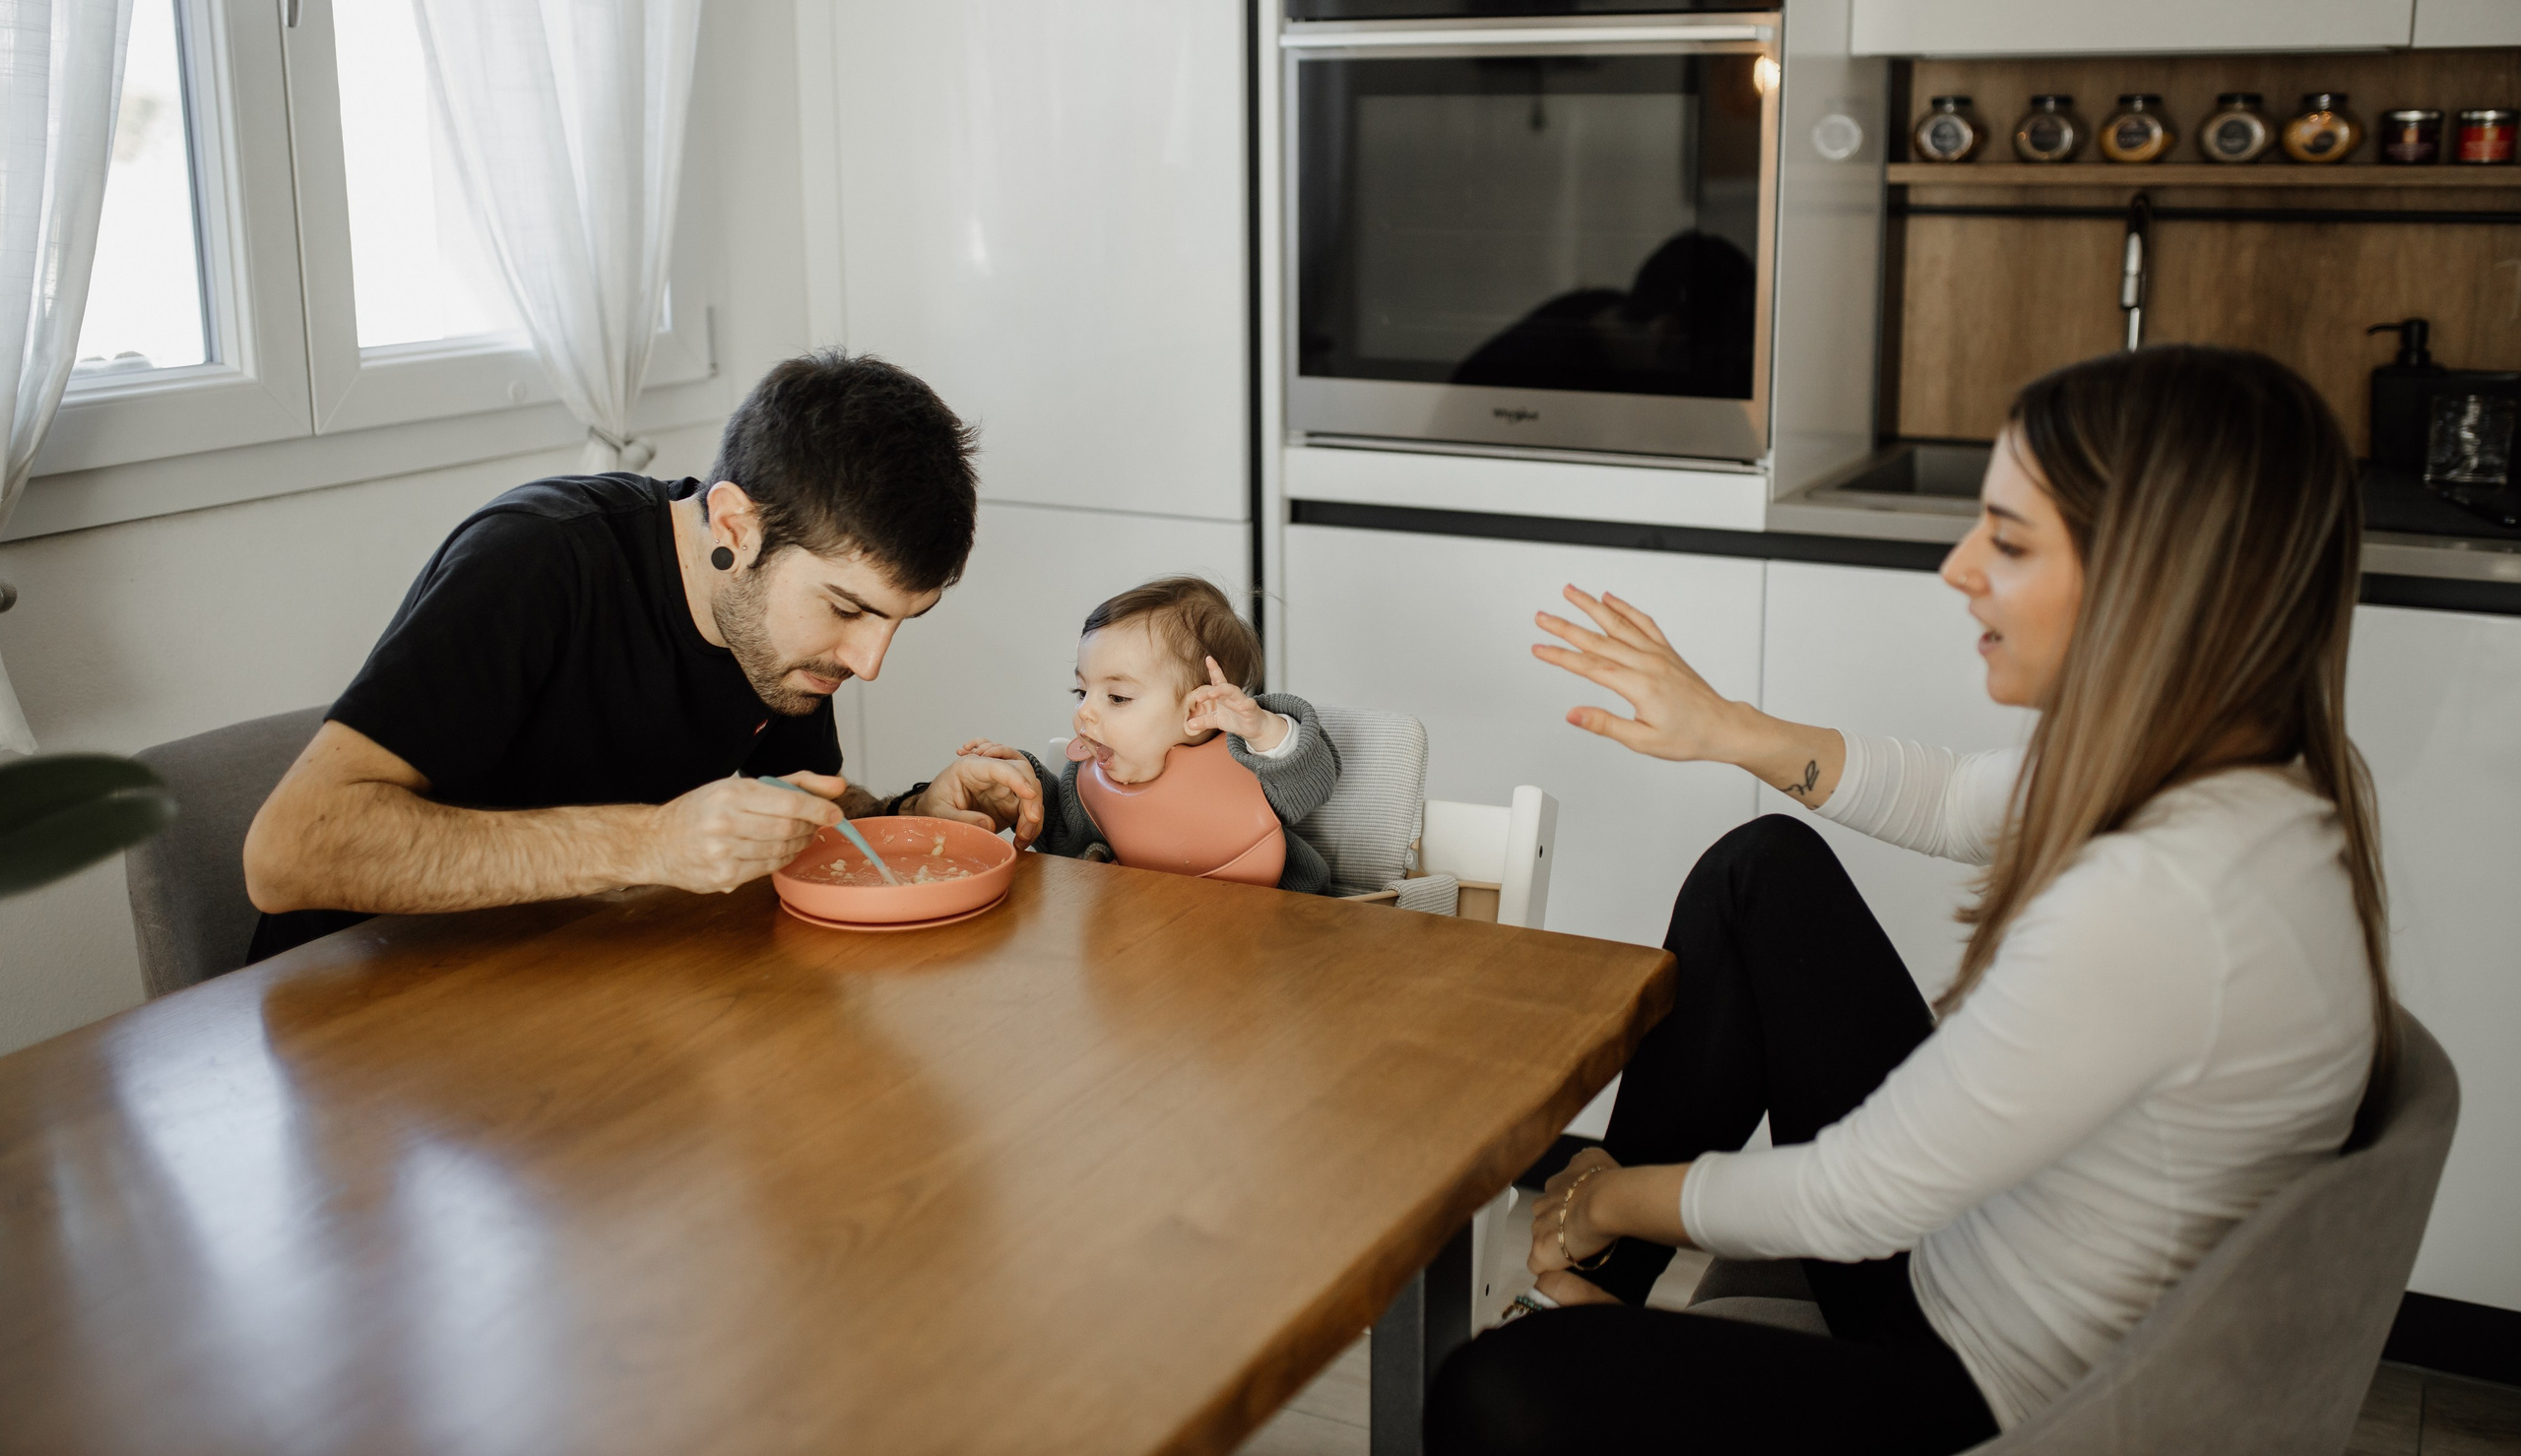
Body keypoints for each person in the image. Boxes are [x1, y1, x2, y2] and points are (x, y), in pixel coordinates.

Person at [1427, 346, 2394, 1455]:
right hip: (1984, 1249)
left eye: (2010, 540)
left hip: (1997, 1388)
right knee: (1764, 874)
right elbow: (1951, 794)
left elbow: (1850, 1199)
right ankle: (1596, 1291)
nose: (1958, 566)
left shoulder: (2164, 896)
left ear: (2156, 584)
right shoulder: (2249, 763)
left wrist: (1608, 1191)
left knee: (1494, 1395)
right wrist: (1722, 728)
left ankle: (1582, 1261)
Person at [243, 350, 1045, 955]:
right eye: (846, 608)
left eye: (899, 622)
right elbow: (286, 853)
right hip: (355, 1000)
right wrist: (652, 843)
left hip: (558, 992)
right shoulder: (538, 561)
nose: (868, 661)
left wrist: (913, 815)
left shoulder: (784, 641)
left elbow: (786, 811)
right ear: (734, 526)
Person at [958, 577, 1342, 892]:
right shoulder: (1091, 776)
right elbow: (1064, 839)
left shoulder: (1249, 762)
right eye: (1081, 691)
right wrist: (1024, 789)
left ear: (1194, 710)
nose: (1084, 713)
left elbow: (1314, 781)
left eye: (1117, 697)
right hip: (1146, 937)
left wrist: (1263, 730)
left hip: (1271, 933)